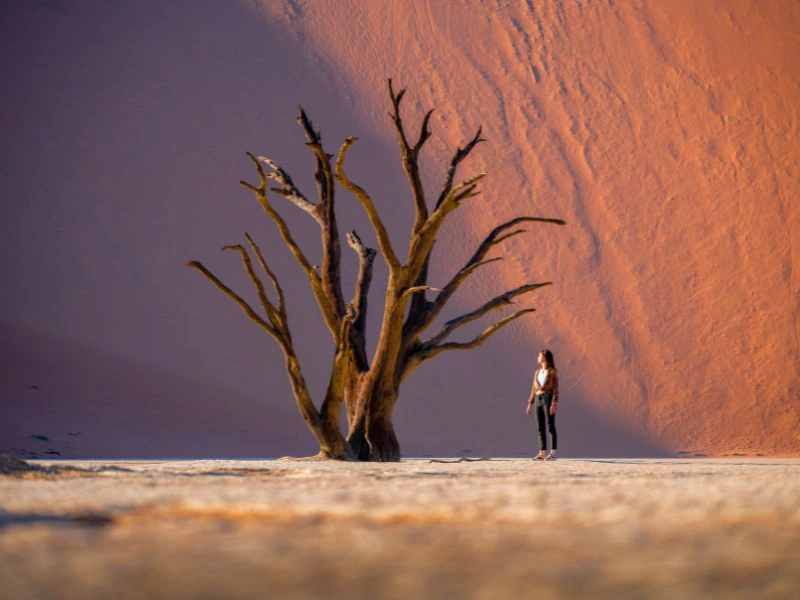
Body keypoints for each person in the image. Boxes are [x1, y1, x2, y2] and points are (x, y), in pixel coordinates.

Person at [525, 349, 559, 460]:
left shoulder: (552, 372)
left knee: (550, 426)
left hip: (547, 398)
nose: (537, 357)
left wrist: (554, 404)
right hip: (538, 400)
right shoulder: (537, 372)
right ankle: (542, 453)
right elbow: (533, 389)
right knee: (540, 427)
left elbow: (555, 390)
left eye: (539, 355)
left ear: (544, 357)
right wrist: (530, 403)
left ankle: (553, 453)